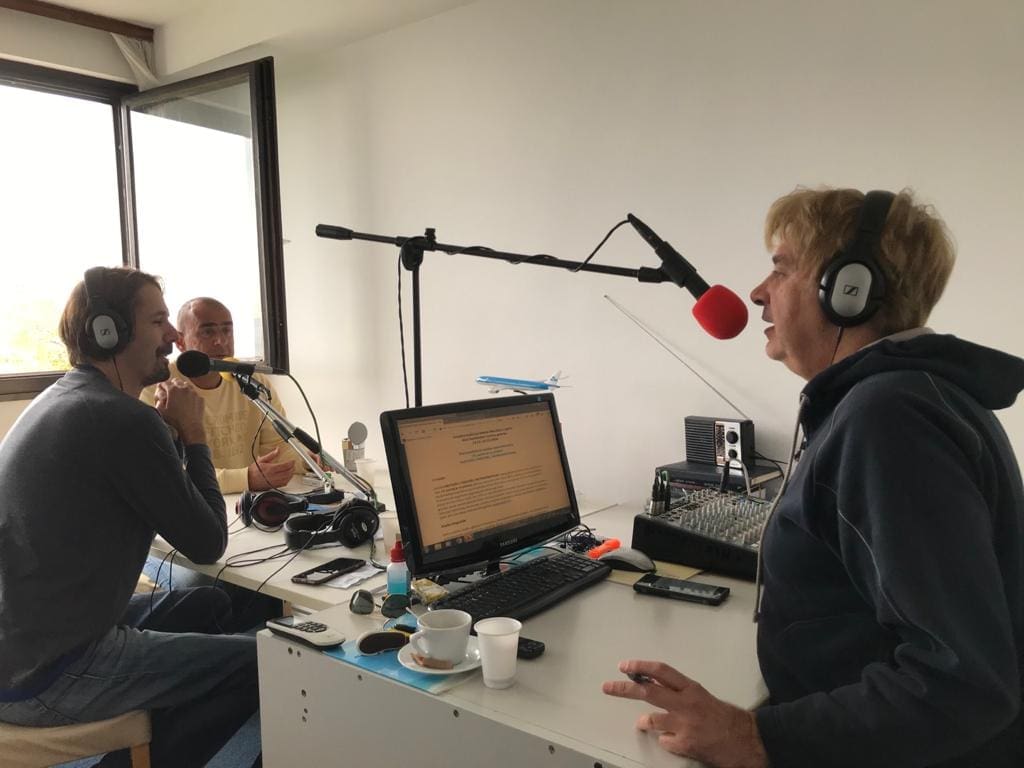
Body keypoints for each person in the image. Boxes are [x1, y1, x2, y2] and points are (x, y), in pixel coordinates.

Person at [603, 187, 1024, 767]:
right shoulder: (909, 396)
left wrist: (755, 737)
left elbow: (962, 684)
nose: (757, 292)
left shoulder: (889, 419)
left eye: (780, 268)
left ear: (849, 291)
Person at [0, 267, 259, 767]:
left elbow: (159, 495)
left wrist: (169, 436)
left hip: (27, 644)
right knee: (267, 664)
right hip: (48, 674)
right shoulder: (122, 419)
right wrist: (194, 435)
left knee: (205, 604)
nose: (173, 336)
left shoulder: (66, 397)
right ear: (109, 332)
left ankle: (155, 714)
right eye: (159, 321)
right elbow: (208, 543)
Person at [141, 296, 304, 494]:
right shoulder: (158, 387)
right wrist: (245, 478)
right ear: (181, 342)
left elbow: (276, 446)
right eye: (208, 332)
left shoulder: (253, 381)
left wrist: (306, 461)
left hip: (250, 500)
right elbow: (166, 472)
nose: (221, 341)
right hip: (197, 503)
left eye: (227, 330)